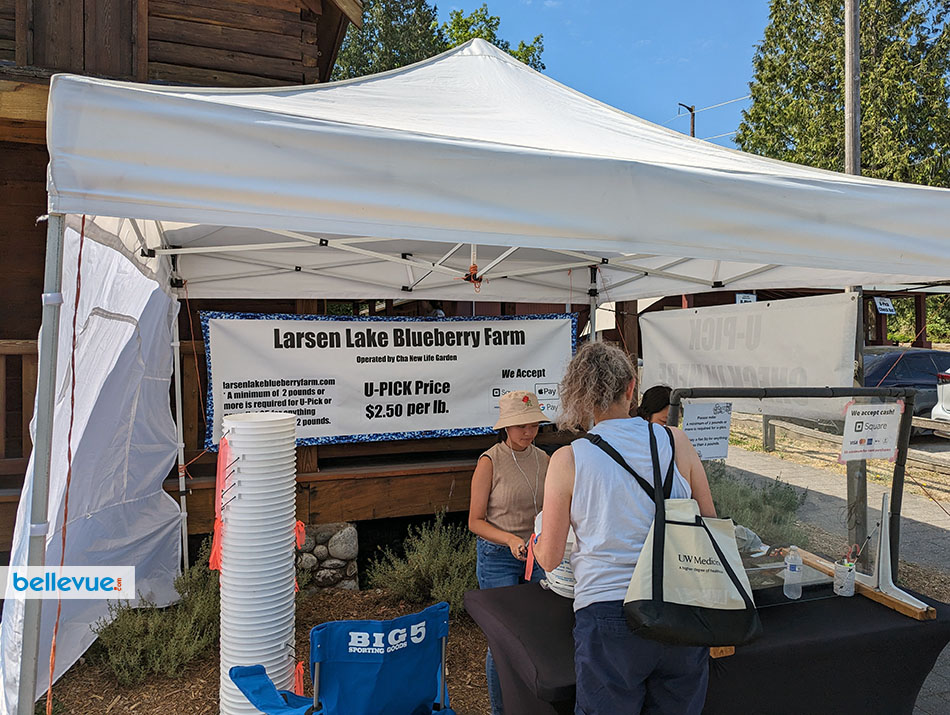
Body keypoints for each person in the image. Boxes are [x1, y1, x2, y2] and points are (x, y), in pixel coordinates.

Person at [533, 343, 716, 715]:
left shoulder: (568, 459)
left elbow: (551, 557)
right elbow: (709, 524)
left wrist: (535, 542)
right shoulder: (674, 441)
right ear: (632, 388)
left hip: (608, 612)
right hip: (681, 605)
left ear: (578, 396)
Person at [469, 390, 549, 715]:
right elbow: (475, 521)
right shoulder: (490, 460)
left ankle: (530, 704)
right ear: (506, 427)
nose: (528, 432)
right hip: (498, 555)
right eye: (520, 425)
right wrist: (508, 540)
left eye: (532, 425)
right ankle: (499, 709)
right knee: (501, 639)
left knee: (537, 633)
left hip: (538, 553)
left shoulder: (545, 459)